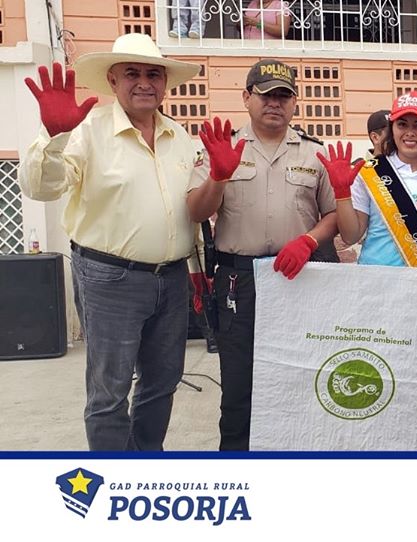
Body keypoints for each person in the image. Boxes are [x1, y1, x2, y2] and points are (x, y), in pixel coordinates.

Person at [18, 34, 202, 450]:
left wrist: (195, 270)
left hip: (172, 278)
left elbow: (184, 209)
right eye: (132, 73)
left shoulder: (179, 136)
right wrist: (53, 137)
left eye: (154, 74)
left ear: (165, 83)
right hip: (109, 279)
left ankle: (145, 462)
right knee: (110, 391)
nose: (144, 83)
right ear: (113, 80)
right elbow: (42, 188)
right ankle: (114, 475)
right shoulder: (87, 130)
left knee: (163, 381)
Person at [186, 59, 339, 450]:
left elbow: (333, 214)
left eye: (284, 96)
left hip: (298, 279)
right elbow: (196, 212)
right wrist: (218, 175)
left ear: (294, 103)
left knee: (300, 378)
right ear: (246, 97)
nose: (275, 103)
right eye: (266, 94)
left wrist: (309, 241)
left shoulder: (314, 154)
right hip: (239, 281)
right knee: (239, 386)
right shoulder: (223, 147)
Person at [320, 90, 417, 273]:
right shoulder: (369, 172)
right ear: (392, 129)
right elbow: (350, 236)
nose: (410, 133)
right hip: (377, 278)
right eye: (402, 124)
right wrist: (342, 193)